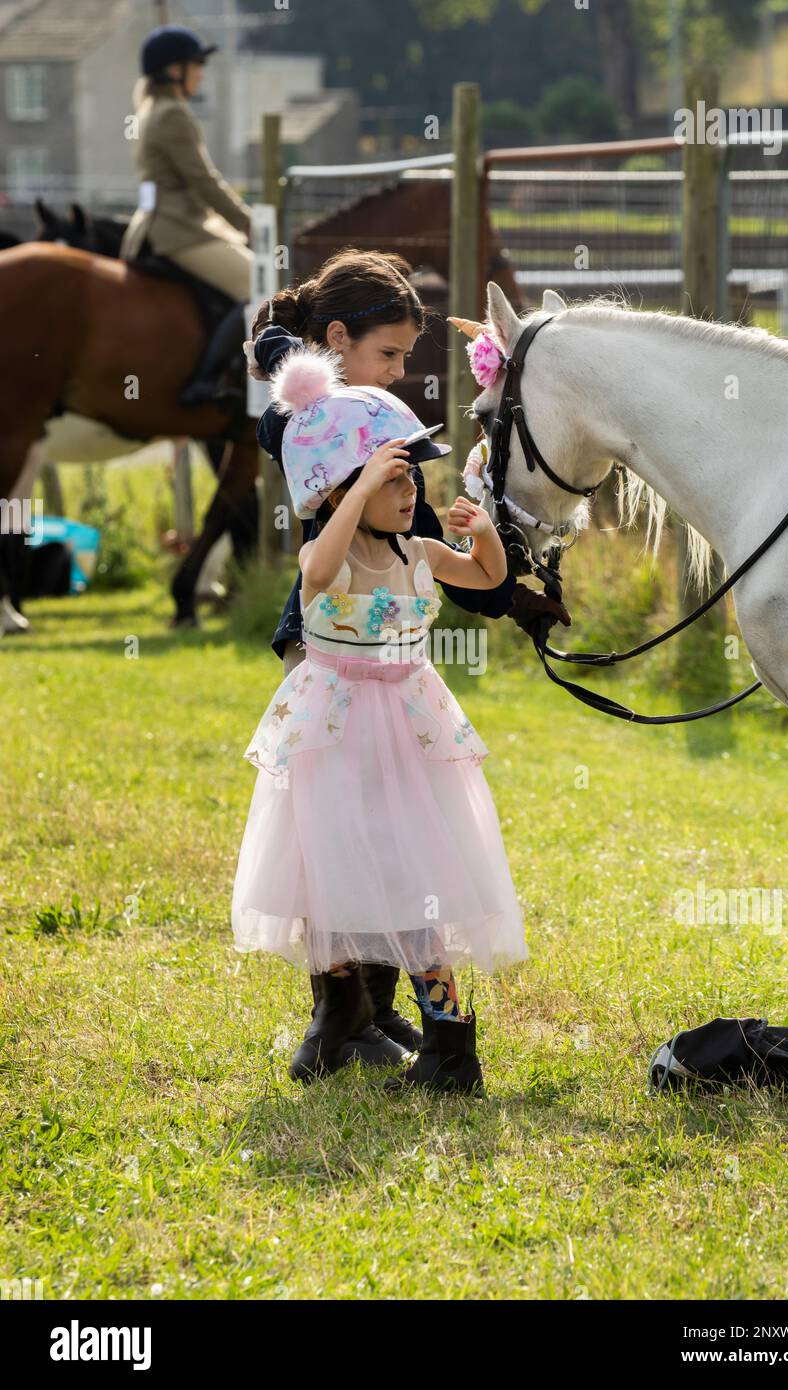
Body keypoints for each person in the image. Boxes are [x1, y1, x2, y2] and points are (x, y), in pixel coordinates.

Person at [244, 249, 519, 1071]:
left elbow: (483, 578)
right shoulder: (326, 455)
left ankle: (410, 1026)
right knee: (332, 857)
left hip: (405, 714)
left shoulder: (410, 531)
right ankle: (341, 1017)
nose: (402, 374)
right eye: (391, 356)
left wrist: (481, 532)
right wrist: (359, 483)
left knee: (402, 864)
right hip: (334, 693)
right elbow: (318, 563)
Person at [120, 24, 253, 406]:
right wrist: (249, 224)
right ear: (173, 70)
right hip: (181, 229)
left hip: (158, 224)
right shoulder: (173, 114)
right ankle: (206, 381)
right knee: (261, 290)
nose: (201, 73)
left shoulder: (149, 110)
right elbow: (205, 183)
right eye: (196, 64)